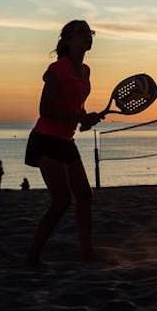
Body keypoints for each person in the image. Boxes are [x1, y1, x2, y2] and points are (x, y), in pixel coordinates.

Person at [23, 20, 104, 266]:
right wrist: (80, 117)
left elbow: (76, 107)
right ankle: (32, 257)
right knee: (62, 200)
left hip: (65, 140)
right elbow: (45, 108)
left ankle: (87, 254)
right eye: (81, 32)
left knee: (85, 196)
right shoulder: (57, 69)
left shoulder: (85, 71)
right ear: (67, 40)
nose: (87, 36)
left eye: (89, 32)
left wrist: (85, 119)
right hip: (45, 139)